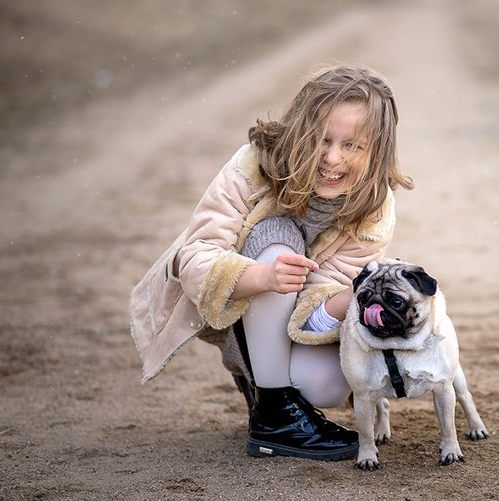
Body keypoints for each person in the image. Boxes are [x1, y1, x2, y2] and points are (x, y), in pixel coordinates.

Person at [129, 64, 412, 461]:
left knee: (329, 384)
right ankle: (275, 417)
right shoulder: (254, 166)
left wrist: (344, 300)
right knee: (278, 242)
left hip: (290, 321)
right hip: (230, 303)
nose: (332, 158)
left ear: (376, 152)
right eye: (322, 140)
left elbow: (317, 306)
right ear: (300, 131)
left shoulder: (373, 211)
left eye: (352, 146)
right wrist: (261, 276)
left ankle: (263, 382)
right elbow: (195, 256)